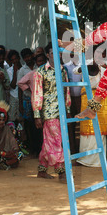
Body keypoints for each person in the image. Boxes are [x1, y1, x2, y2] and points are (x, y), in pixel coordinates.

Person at [32, 42, 71, 181]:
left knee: (49, 141)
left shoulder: (63, 70)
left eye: (59, 52)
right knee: (56, 140)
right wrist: (37, 115)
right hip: (48, 113)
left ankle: (42, 170)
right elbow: (37, 93)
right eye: (53, 52)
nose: (57, 55)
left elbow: (67, 91)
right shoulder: (40, 72)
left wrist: (67, 109)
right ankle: (61, 171)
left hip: (61, 111)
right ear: (48, 55)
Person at [77, 63, 107, 167]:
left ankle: (99, 161)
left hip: (101, 100)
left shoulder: (105, 65)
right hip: (87, 99)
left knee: (100, 129)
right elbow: (76, 70)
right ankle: (85, 159)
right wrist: (85, 67)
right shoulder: (84, 63)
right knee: (87, 127)